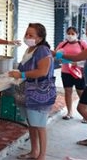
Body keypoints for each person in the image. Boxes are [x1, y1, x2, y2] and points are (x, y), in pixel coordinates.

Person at [9, 23, 56, 160]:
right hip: (27, 93)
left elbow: (43, 71)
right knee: (32, 124)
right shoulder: (30, 49)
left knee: (40, 125)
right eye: (26, 34)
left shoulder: (42, 50)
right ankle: (34, 152)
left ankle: (41, 155)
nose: (27, 37)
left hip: (39, 93)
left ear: (40, 38)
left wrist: (22, 75)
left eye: (31, 35)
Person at [56, 20, 87, 160]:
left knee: (82, 108)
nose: (86, 33)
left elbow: (79, 57)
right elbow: (85, 60)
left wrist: (60, 55)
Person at [54, 27, 87, 120]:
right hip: (66, 72)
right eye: (68, 33)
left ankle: (85, 114)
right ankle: (69, 112)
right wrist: (59, 57)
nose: (70, 35)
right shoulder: (62, 44)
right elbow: (56, 56)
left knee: (81, 92)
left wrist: (78, 63)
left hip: (79, 72)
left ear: (77, 34)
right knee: (68, 92)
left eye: (72, 33)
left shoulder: (82, 44)